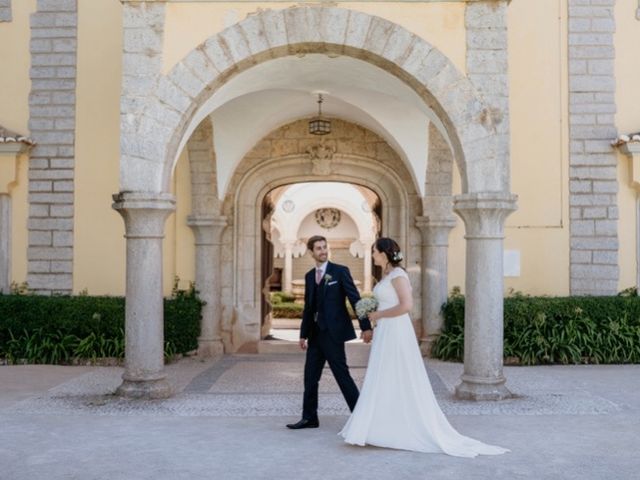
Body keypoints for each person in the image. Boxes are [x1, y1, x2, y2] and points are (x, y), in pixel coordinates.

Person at [339, 237, 509, 457]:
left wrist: (378, 314)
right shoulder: (386, 275)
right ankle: (381, 425)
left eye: (374, 251)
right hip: (386, 331)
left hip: (396, 331)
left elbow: (406, 306)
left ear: (384, 253)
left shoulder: (399, 275)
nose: (372, 255)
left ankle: (398, 427)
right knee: (384, 376)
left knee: (397, 374)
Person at [286, 235, 373, 430]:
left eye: (325, 247)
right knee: (310, 377)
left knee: (342, 376)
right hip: (315, 335)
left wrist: (366, 326)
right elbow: (308, 308)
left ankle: (361, 417)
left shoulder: (340, 272)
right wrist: (303, 334)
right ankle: (309, 418)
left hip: (333, 334)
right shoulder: (309, 276)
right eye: (318, 248)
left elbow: (355, 299)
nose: (323, 251)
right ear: (311, 252)